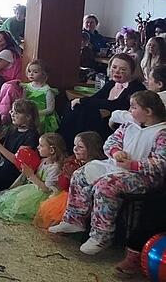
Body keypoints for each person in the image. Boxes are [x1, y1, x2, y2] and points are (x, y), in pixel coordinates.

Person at [50, 90, 166, 255]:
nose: (129, 110)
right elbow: (111, 141)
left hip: (143, 177)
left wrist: (133, 165)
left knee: (106, 186)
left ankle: (101, 236)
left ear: (148, 112)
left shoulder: (161, 133)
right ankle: (74, 219)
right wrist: (115, 151)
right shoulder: (129, 125)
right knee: (80, 174)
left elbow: (161, 163)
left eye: (134, 107)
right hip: (116, 166)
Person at [59, 54, 146, 146]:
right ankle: (65, 142)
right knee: (76, 107)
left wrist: (83, 101)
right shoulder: (112, 83)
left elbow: (117, 105)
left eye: (123, 69)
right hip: (102, 118)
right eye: (114, 67)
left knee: (85, 110)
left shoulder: (137, 87)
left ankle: (69, 144)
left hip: (118, 125)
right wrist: (81, 101)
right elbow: (96, 98)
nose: (117, 71)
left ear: (132, 71)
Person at [0, 132, 67, 223]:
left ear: (52, 150)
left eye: (41, 145)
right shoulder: (44, 160)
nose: (37, 147)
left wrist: (31, 175)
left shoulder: (55, 168)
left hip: (41, 195)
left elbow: (46, 189)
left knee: (19, 204)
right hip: (33, 188)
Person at [34, 131, 105, 229]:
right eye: (74, 145)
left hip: (82, 201)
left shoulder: (96, 166)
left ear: (91, 149)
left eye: (80, 147)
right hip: (65, 194)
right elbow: (62, 184)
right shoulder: (72, 162)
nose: (75, 149)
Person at [0, 99, 41, 196]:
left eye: (17, 113)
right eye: (12, 111)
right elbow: (2, 155)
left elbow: (18, 162)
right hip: (3, 168)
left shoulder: (32, 135)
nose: (12, 114)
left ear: (28, 117)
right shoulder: (11, 129)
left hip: (13, 175)